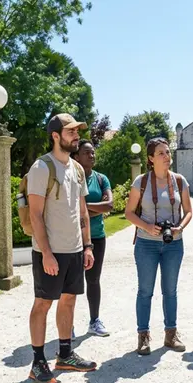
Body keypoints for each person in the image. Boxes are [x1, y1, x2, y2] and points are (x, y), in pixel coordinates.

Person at [26, 113, 97, 383]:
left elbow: (83, 212)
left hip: (75, 249)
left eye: (77, 131)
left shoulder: (76, 168)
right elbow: (35, 214)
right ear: (55, 136)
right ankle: (37, 362)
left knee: (69, 300)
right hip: (50, 251)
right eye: (70, 132)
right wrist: (46, 253)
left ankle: (65, 355)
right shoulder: (41, 167)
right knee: (43, 303)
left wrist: (87, 246)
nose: (76, 136)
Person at [124, 137, 193, 355]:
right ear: (151, 158)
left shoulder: (179, 181)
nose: (166, 156)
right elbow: (128, 213)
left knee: (170, 291)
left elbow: (188, 211)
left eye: (168, 152)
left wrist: (179, 227)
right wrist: (146, 226)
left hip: (173, 244)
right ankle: (143, 336)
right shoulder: (141, 182)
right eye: (161, 153)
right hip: (146, 244)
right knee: (145, 291)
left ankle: (171, 334)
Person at [72, 139, 113, 337]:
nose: (91, 155)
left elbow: (109, 205)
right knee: (71, 282)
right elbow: (68, 208)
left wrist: (83, 208)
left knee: (93, 280)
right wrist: (96, 207)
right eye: (86, 152)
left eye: (93, 152)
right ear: (76, 157)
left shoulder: (101, 179)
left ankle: (94, 321)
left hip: (97, 237)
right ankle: (67, 325)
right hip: (73, 238)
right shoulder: (71, 178)